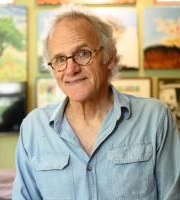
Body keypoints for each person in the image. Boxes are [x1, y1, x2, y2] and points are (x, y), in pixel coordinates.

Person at [12, 4, 180, 200]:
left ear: (109, 57)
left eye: (83, 53)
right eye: (59, 59)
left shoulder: (155, 118)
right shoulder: (33, 128)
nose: (71, 69)